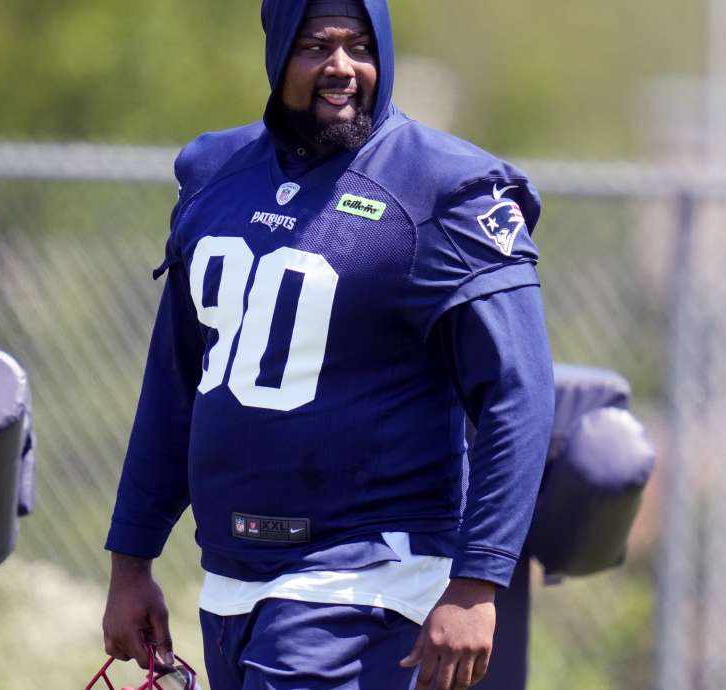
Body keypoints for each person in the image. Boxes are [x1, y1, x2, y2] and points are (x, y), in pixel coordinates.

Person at [102, 1, 554, 689]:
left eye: (361, 46)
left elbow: (518, 392)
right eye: (317, 45)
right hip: (231, 584)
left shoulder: (445, 188)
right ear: (278, 51)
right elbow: (178, 381)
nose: (343, 67)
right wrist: (131, 561)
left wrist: (478, 580)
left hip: (364, 586)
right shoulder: (217, 172)